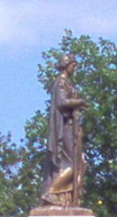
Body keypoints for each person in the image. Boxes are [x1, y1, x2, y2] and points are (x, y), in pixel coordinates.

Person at [40, 54, 87, 208]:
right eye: (73, 64)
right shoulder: (60, 82)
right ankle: (52, 192)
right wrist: (78, 102)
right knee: (73, 165)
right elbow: (62, 103)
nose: (75, 67)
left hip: (72, 126)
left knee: (78, 163)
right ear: (66, 65)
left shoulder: (66, 82)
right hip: (65, 127)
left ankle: (63, 198)